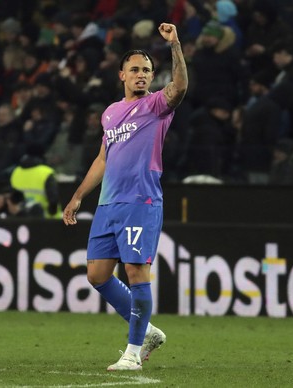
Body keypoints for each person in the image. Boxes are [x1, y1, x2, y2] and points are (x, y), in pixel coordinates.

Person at [62, 23, 188, 371]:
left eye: (147, 70)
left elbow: (178, 86)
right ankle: (147, 332)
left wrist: (175, 45)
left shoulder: (156, 106)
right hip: (107, 204)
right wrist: (77, 197)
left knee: (135, 271)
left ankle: (133, 353)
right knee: (98, 275)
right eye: (135, 69)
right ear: (122, 75)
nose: (141, 75)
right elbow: (103, 158)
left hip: (140, 202)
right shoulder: (110, 113)